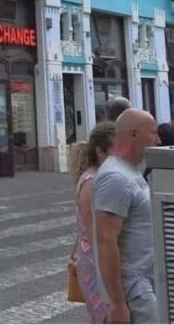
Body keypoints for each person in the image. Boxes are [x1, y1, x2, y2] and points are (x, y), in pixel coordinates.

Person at [94, 108, 160, 324]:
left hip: (145, 283)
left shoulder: (130, 171)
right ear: (134, 134)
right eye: (153, 133)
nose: (158, 140)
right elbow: (106, 241)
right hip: (134, 288)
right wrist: (117, 302)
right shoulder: (115, 177)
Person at [71, 121, 115, 323]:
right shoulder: (91, 181)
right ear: (100, 151)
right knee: (103, 316)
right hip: (94, 260)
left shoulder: (99, 177)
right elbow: (93, 232)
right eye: (113, 151)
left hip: (95, 258)